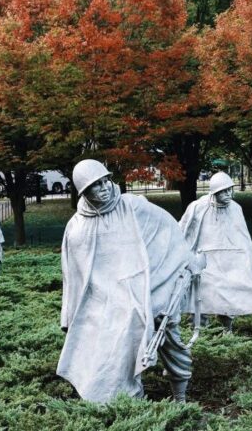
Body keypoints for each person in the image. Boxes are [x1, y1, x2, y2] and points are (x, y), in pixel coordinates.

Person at [58, 159, 202, 403]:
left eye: (106, 181)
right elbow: (74, 277)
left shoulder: (133, 207)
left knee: (169, 339)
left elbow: (166, 233)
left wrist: (184, 263)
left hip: (149, 291)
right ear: (84, 190)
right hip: (105, 304)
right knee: (107, 347)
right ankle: (120, 399)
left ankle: (180, 397)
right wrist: (72, 313)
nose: (104, 188)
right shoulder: (77, 227)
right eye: (96, 185)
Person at [179, 171, 252, 333]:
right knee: (202, 296)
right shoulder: (198, 207)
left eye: (231, 190)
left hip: (229, 262)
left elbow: (244, 240)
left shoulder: (236, 209)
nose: (229, 194)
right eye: (225, 191)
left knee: (229, 292)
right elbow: (182, 230)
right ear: (215, 192)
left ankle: (227, 329)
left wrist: (247, 261)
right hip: (204, 261)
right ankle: (200, 331)